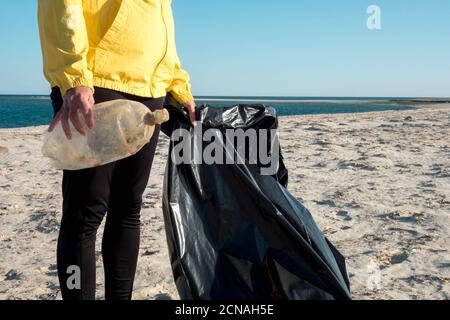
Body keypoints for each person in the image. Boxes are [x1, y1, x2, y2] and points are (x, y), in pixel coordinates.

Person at [38, 0, 195, 300]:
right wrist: (74, 79)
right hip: (96, 83)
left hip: (150, 91)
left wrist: (177, 84)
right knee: (85, 213)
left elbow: (159, 18)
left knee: (127, 208)